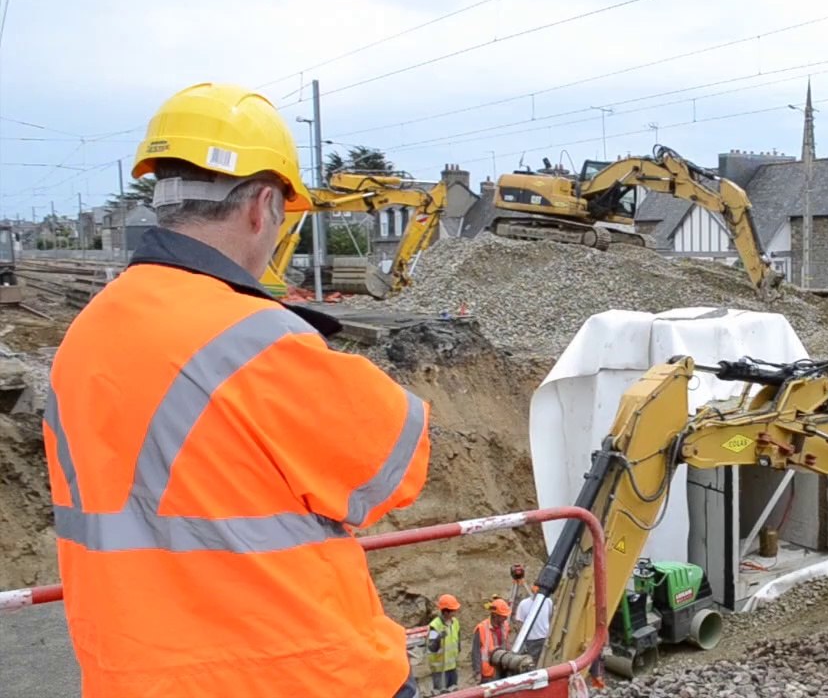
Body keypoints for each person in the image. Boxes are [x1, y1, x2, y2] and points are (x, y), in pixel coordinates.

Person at [42, 83, 432, 698]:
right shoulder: (258, 340)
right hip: (292, 673)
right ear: (263, 206)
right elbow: (393, 471)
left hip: (130, 676)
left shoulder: (87, 334)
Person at [426, 594, 463, 694]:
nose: (455, 613)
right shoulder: (435, 626)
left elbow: (458, 640)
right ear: (445, 612)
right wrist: (438, 638)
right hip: (440, 670)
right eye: (453, 611)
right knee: (441, 694)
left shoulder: (455, 622)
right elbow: (431, 648)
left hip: (452, 667)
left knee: (454, 692)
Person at [472, 598, 512, 684]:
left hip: (502, 667)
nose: (506, 618)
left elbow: (507, 645)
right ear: (495, 615)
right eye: (503, 616)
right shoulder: (481, 628)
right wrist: (477, 672)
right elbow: (476, 653)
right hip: (488, 673)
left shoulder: (505, 625)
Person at [511, 587, 553, 664]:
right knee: (531, 664)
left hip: (544, 639)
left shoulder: (548, 601)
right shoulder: (523, 604)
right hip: (530, 641)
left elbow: (549, 617)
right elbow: (519, 623)